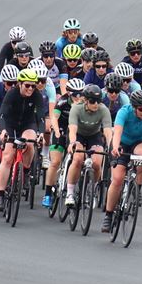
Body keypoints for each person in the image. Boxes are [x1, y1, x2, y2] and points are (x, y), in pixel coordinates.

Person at [102, 90, 142, 233]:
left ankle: (137, 188)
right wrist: (116, 147)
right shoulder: (124, 112)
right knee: (117, 180)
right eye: (141, 109)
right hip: (122, 144)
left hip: (138, 143)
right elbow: (116, 132)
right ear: (134, 108)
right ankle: (109, 214)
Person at [0, 68, 43, 212]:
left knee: (30, 142)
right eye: (27, 85)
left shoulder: (37, 95)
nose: (30, 89)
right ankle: (1, 194)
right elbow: (2, 115)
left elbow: (40, 117)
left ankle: (26, 171)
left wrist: (40, 132)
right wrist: (3, 130)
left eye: (33, 86)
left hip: (28, 124)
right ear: (20, 84)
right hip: (10, 124)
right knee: (8, 157)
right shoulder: (12, 94)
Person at [65, 84, 112, 208]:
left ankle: (92, 188)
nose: (96, 104)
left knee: (97, 163)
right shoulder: (76, 108)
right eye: (92, 101)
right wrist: (72, 143)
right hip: (78, 135)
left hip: (94, 135)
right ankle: (70, 192)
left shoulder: (103, 110)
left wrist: (112, 145)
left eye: (98, 101)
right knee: (78, 159)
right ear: (85, 100)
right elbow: (73, 129)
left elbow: (107, 130)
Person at [41, 78, 85, 207]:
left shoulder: (85, 103)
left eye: (81, 94)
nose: (79, 97)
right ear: (69, 94)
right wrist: (56, 131)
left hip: (76, 131)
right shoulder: (62, 101)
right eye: (76, 94)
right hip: (61, 128)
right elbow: (54, 118)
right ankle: (48, 194)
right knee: (55, 162)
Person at [28, 60, 58, 169]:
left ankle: (45, 154)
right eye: (37, 81)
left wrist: (50, 123)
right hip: (31, 110)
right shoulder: (28, 85)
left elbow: (51, 110)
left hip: (45, 110)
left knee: (47, 128)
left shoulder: (49, 86)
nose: (40, 84)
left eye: (43, 81)